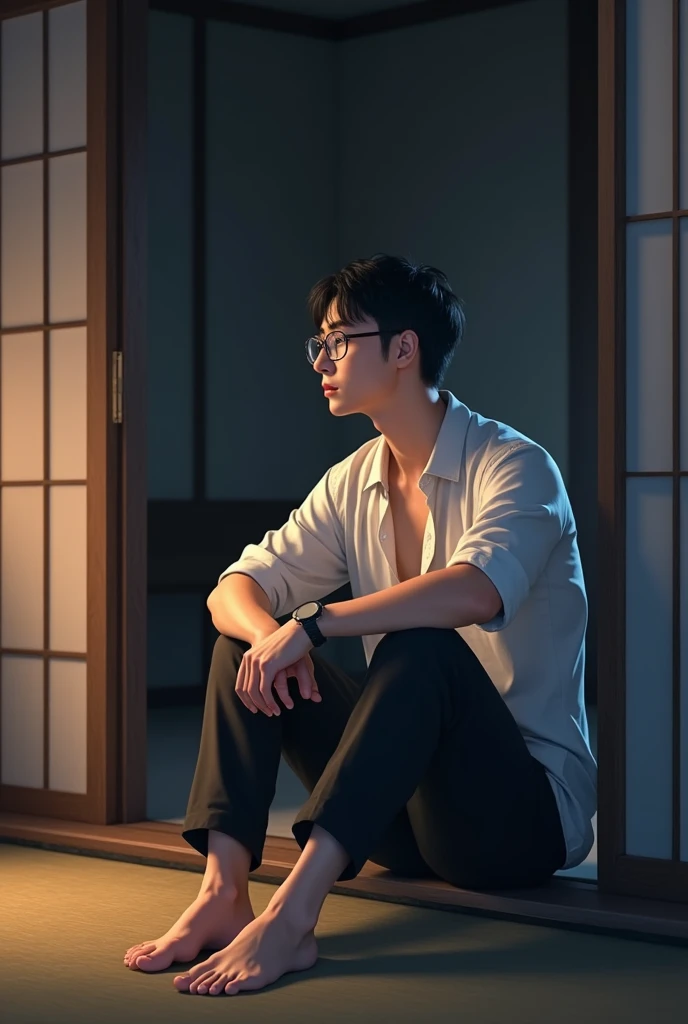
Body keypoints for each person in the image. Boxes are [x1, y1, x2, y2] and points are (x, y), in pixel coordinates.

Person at [123, 253, 597, 996]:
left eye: (340, 340)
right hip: (402, 814)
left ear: (404, 349)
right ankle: (221, 890)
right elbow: (235, 587)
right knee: (240, 643)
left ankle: (291, 918)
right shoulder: (353, 479)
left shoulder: (515, 465)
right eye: (319, 343)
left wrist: (313, 623)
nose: (323, 359)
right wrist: (270, 635)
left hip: (515, 822)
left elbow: (474, 591)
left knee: (418, 646)